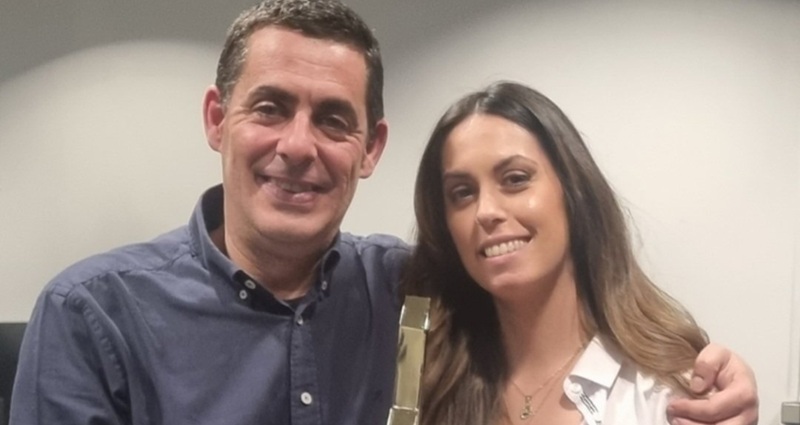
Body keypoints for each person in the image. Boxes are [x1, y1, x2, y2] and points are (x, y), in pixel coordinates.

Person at [9, 1, 756, 424]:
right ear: (216, 119)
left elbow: (553, 302)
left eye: (334, 120)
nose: (298, 146)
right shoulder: (92, 313)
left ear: (370, 148)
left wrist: (720, 380)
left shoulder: (410, 292)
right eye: (270, 108)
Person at [404, 81, 757, 425]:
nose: (486, 211)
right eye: (462, 193)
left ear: (574, 192)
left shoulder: (667, 397)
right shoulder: (420, 381)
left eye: (515, 179)